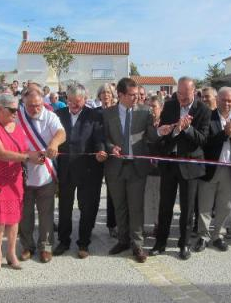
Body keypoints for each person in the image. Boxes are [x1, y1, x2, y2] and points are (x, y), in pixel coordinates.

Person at [101, 77, 164, 263]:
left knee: (136, 208)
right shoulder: (107, 113)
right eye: (131, 95)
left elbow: (151, 137)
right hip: (115, 167)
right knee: (119, 206)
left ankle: (137, 245)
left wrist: (161, 131)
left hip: (137, 167)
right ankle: (123, 240)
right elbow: (102, 137)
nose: (136, 98)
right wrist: (111, 147)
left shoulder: (145, 112)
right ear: (119, 95)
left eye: (137, 95)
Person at [0, 94, 40, 272]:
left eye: (17, 108)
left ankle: (11, 253)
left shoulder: (17, 127)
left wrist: (38, 155)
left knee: (13, 219)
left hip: (14, 179)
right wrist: (28, 157)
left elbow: (23, 150)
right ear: (0, 109)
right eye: (12, 109)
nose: (16, 112)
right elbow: (0, 153)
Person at [151, 76, 210, 260]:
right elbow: (162, 134)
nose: (182, 97)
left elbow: (203, 140)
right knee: (165, 205)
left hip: (190, 165)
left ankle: (184, 244)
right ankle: (160, 243)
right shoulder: (169, 106)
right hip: (169, 163)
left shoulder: (203, 110)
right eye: (179, 93)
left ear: (194, 91)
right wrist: (171, 130)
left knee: (187, 207)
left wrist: (187, 129)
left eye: (186, 94)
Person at [53, 84, 105, 259]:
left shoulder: (94, 115)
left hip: (88, 170)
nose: (74, 105)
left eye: (78, 101)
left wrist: (100, 151)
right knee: (65, 207)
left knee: (87, 208)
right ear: (66, 99)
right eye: (70, 101)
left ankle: (84, 243)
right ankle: (63, 240)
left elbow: (99, 138)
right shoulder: (58, 115)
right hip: (65, 170)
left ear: (85, 99)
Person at [17, 87, 66, 264]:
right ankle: (27, 246)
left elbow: (61, 133)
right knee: (25, 214)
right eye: (30, 106)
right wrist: (27, 154)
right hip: (23, 174)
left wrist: (53, 143)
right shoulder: (18, 117)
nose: (35, 109)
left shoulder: (50, 116)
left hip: (46, 174)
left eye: (38, 105)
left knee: (46, 213)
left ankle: (45, 247)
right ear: (24, 103)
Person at [194, 87, 231, 253]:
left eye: (230, 100)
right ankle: (203, 236)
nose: (227, 103)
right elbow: (204, 142)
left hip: (229, 169)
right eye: (223, 100)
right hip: (210, 168)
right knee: (205, 205)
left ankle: (218, 235)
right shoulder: (209, 117)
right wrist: (223, 134)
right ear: (217, 100)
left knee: (225, 205)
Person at [94, 83, 118, 237]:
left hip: (113, 156)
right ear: (99, 95)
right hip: (97, 156)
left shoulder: (117, 111)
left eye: (108, 92)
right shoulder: (94, 113)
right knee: (94, 192)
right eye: (103, 92)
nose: (106, 95)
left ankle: (112, 224)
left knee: (112, 193)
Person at [143, 95, 163, 235]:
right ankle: (144, 225)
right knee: (146, 197)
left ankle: (158, 224)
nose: (151, 109)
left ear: (161, 108)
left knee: (160, 197)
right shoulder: (144, 123)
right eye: (148, 106)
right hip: (146, 167)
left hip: (162, 168)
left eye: (153, 106)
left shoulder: (166, 124)